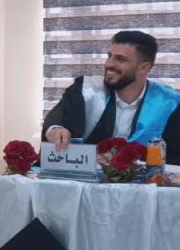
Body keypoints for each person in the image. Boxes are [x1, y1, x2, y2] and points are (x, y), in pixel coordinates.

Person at [43, 30, 180, 163]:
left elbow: (174, 158)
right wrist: (55, 129)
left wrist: (125, 162)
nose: (108, 64)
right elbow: (58, 117)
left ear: (143, 68)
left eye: (120, 59)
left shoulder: (169, 103)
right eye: (109, 56)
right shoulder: (87, 90)